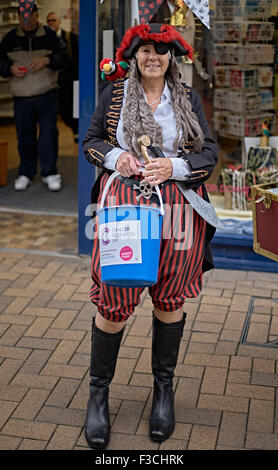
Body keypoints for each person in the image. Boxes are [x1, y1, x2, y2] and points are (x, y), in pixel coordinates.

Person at [82, 23, 217, 450]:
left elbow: (208, 153)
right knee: (115, 300)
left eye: (161, 50)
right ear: (134, 55)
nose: (152, 56)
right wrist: (118, 156)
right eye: (145, 50)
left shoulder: (189, 98)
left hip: (178, 209)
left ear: (171, 57)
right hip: (126, 208)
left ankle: (163, 391)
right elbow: (91, 142)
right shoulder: (116, 95)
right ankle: (98, 395)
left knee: (169, 297)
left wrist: (173, 167)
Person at [0, 4, 68, 191]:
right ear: (19, 17)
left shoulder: (49, 35)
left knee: (48, 135)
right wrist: (9, 68)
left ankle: (50, 173)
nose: (27, 20)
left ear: (37, 15)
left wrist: (46, 60)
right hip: (21, 97)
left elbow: (64, 58)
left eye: (30, 16)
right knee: (24, 137)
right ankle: (25, 173)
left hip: (47, 95)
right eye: (23, 17)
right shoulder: (10, 37)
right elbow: (1, 61)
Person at [46, 11, 79, 142]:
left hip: (69, 81)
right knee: (61, 110)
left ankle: (76, 129)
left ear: (59, 22)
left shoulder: (71, 38)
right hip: (51, 81)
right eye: (49, 21)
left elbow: (77, 59)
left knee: (70, 107)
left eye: (54, 20)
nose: (51, 23)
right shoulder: (44, 40)